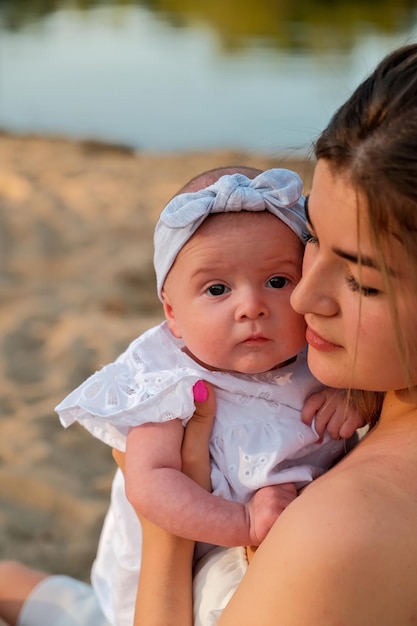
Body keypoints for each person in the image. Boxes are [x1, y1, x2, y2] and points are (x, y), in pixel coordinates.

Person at [127, 42, 417, 626]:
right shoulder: (368, 391)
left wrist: (164, 539)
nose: (303, 298)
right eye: (312, 241)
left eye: (362, 282)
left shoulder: (336, 537)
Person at [0, 165, 364, 626]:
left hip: (240, 575)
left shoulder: (317, 355)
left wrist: (357, 399)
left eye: (277, 281)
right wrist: (244, 523)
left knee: (72, 612)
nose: (251, 305)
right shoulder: (168, 380)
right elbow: (150, 486)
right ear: (172, 314)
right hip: (155, 596)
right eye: (217, 289)